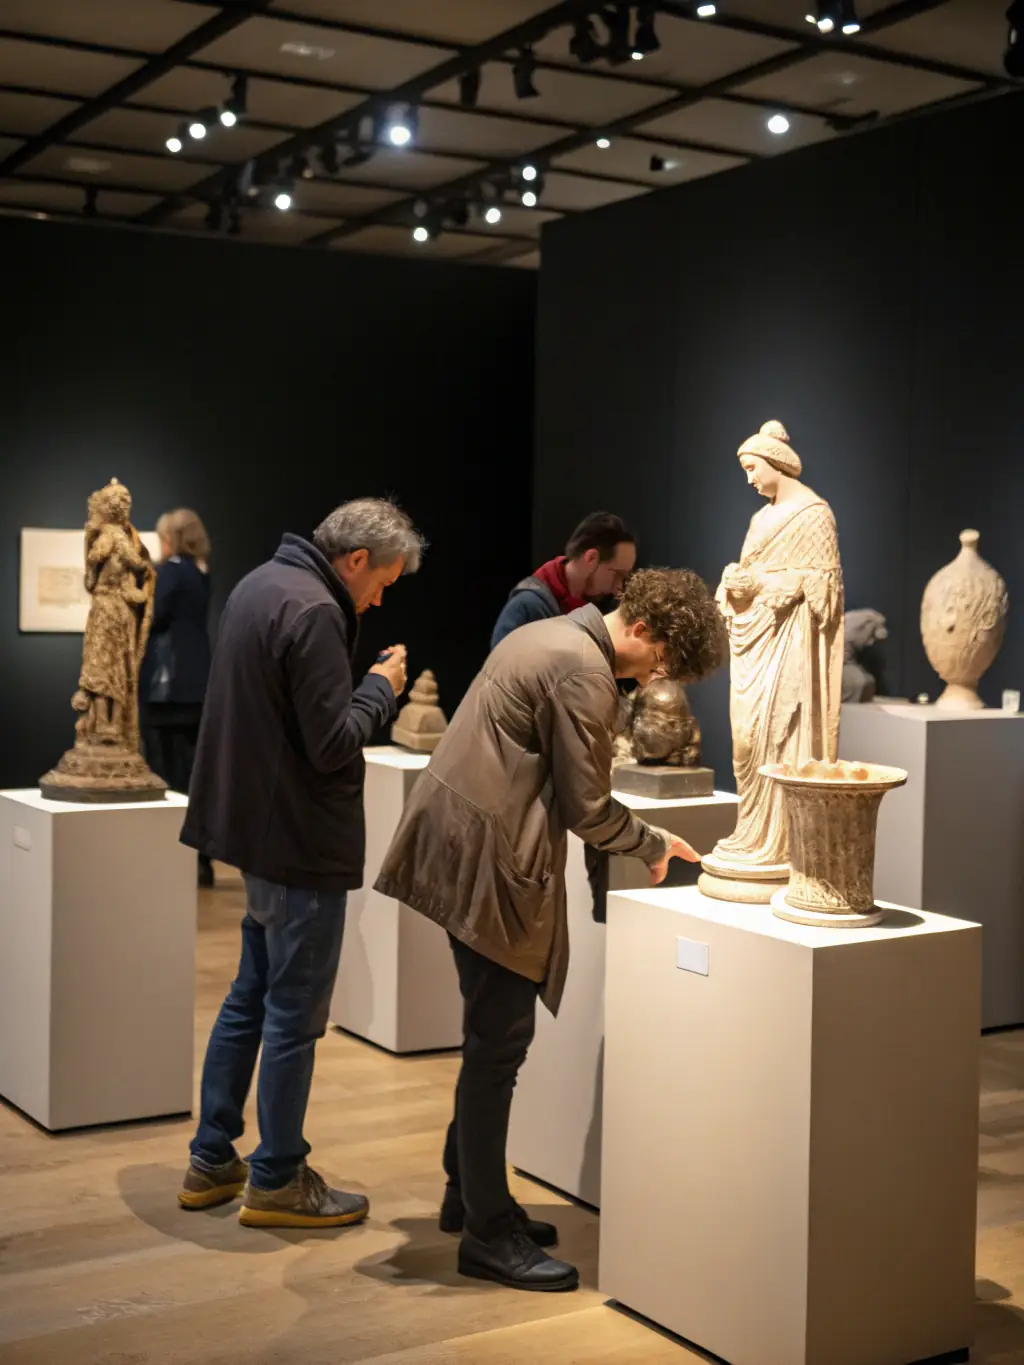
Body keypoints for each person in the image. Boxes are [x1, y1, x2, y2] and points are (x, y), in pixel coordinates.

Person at [376, 568, 727, 1291]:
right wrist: (654, 843)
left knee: (490, 1035)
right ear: (647, 631)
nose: (653, 677)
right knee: (497, 1044)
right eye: (660, 663)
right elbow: (588, 804)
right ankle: (486, 1233)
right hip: (488, 856)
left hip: (462, 838)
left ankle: (470, 1195)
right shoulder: (584, 671)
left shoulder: (554, 631)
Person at [178, 498, 424, 1229]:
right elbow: (332, 742)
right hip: (298, 845)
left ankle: (210, 1157)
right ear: (354, 560)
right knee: (292, 1015)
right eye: (380, 581)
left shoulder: (260, 583)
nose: (379, 597)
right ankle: (279, 1176)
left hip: (256, 838)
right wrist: (381, 686)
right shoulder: (315, 609)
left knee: (249, 995)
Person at [140, 508, 214, 885]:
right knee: (193, 771)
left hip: (166, 688)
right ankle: (200, 859)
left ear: (171, 538)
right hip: (198, 685)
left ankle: (172, 859)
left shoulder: (170, 571)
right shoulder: (201, 572)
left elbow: (153, 616)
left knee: (166, 772)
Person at [490, 511, 636, 649]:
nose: (619, 588)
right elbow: (500, 672)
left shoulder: (603, 608)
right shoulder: (527, 607)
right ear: (591, 558)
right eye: (617, 574)